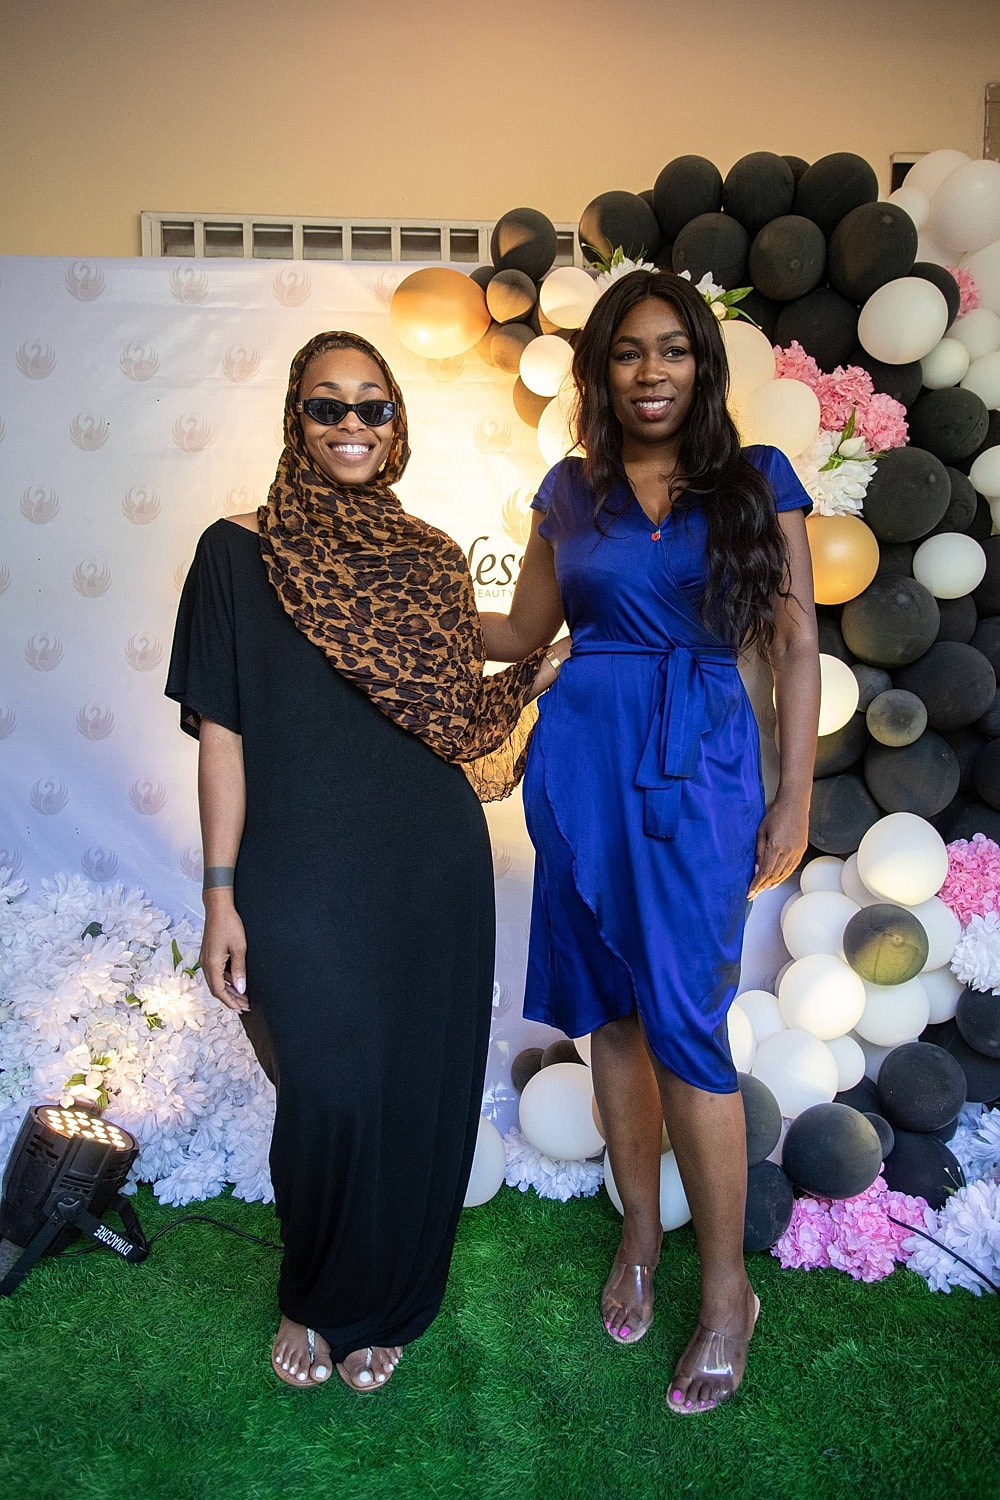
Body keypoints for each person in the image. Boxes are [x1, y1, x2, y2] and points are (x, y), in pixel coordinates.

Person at [166, 331, 561, 1392]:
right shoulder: (234, 552)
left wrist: (540, 667)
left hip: (428, 859)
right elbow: (222, 736)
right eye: (327, 405)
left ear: (397, 425)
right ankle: (314, 1291)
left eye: (372, 407)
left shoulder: (426, 557)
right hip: (296, 865)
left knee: (412, 1088)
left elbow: (453, 708)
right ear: (295, 419)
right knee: (328, 1086)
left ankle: (388, 1304)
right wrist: (219, 893)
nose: (351, 425)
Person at [481, 269, 819, 1414]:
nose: (650, 371)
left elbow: (794, 647)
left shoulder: (755, 480)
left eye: (672, 349)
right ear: (599, 369)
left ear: (701, 366)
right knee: (612, 1013)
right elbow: (522, 630)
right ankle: (639, 1233)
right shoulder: (567, 491)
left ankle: (727, 1293)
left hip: (701, 766)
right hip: (579, 766)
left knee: (684, 1022)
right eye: (628, 351)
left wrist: (794, 795)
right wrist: (395, 601)